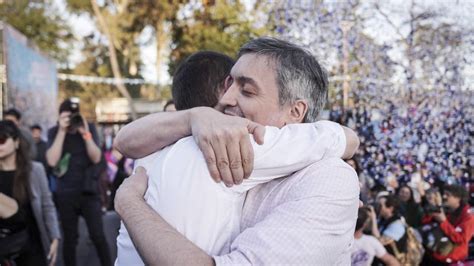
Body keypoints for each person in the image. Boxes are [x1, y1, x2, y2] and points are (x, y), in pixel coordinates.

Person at [114, 38, 360, 265]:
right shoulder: (204, 141)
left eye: (247, 91)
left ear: (295, 112)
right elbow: (125, 141)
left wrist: (130, 204)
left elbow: (332, 138)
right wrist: (194, 116)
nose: (226, 99)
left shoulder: (329, 178)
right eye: (228, 85)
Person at [46, 98, 111, 266]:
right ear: (60, 116)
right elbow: (52, 161)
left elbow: (97, 158)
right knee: (70, 239)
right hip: (66, 193)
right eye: (66, 116)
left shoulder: (88, 128)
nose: (70, 119)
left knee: (98, 235)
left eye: (73, 115)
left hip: (89, 191)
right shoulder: (54, 131)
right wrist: (62, 131)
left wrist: (85, 133)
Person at [0, 120, 60, 266]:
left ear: (16, 142)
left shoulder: (34, 170)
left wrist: (54, 237)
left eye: (2, 140)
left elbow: (47, 205)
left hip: (30, 244)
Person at [420, 184, 474, 265]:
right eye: (444, 194)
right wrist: (433, 207)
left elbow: (461, 239)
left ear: (458, 198)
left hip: (450, 259)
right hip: (432, 252)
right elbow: (425, 223)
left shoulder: (468, 217)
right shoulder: (444, 208)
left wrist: (444, 221)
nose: (444, 196)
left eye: (448, 195)